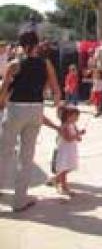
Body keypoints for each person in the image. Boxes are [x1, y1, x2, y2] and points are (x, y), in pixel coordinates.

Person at [0, 30, 62, 212]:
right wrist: (58, 106)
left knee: (5, 152)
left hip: (15, 109)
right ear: (37, 44)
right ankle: (20, 200)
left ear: (21, 45)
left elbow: (4, 91)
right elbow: (56, 89)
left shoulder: (14, 64)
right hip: (35, 109)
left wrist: (1, 105)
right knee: (26, 157)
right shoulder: (46, 64)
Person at [47, 105, 84, 196]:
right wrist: (78, 134)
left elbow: (77, 138)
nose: (76, 118)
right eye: (74, 116)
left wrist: (79, 136)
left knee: (69, 167)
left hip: (71, 150)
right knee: (64, 169)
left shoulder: (73, 125)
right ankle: (64, 187)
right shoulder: (64, 126)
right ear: (67, 116)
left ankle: (55, 179)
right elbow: (68, 138)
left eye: (77, 117)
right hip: (65, 151)